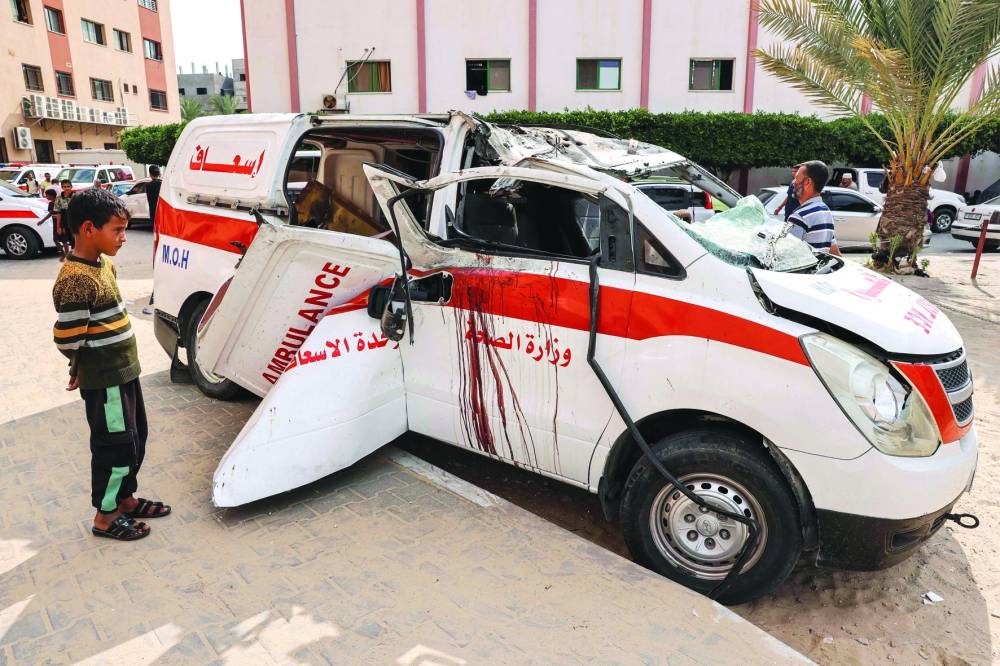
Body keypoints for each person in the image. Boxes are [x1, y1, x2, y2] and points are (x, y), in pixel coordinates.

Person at [51, 188, 171, 542]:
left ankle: (126, 499)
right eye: (117, 230)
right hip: (105, 381)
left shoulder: (105, 265)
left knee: (135, 439)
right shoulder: (75, 279)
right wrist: (79, 369)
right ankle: (105, 515)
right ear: (88, 229)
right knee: (115, 446)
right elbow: (68, 337)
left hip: (124, 373)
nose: (122, 238)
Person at [787, 161, 841, 256]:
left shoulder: (799, 216)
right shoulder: (825, 211)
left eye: (796, 178)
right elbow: (834, 252)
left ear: (808, 182)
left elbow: (787, 255)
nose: (793, 182)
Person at [36, 188, 67, 260]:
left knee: (64, 239)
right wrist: (42, 221)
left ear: (51, 196)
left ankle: (66, 254)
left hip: (62, 223)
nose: (46, 197)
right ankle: (63, 253)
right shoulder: (50, 204)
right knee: (55, 239)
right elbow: (51, 213)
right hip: (55, 223)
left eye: (47, 195)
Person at [52, 179, 75, 260]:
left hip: (74, 221)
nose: (66, 188)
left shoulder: (75, 197)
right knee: (64, 239)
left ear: (71, 187)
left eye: (68, 186)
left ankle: (75, 256)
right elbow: (58, 213)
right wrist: (58, 226)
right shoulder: (59, 198)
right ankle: (67, 255)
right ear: (62, 187)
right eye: (64, 187)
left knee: (74, 240)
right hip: (64, 222)